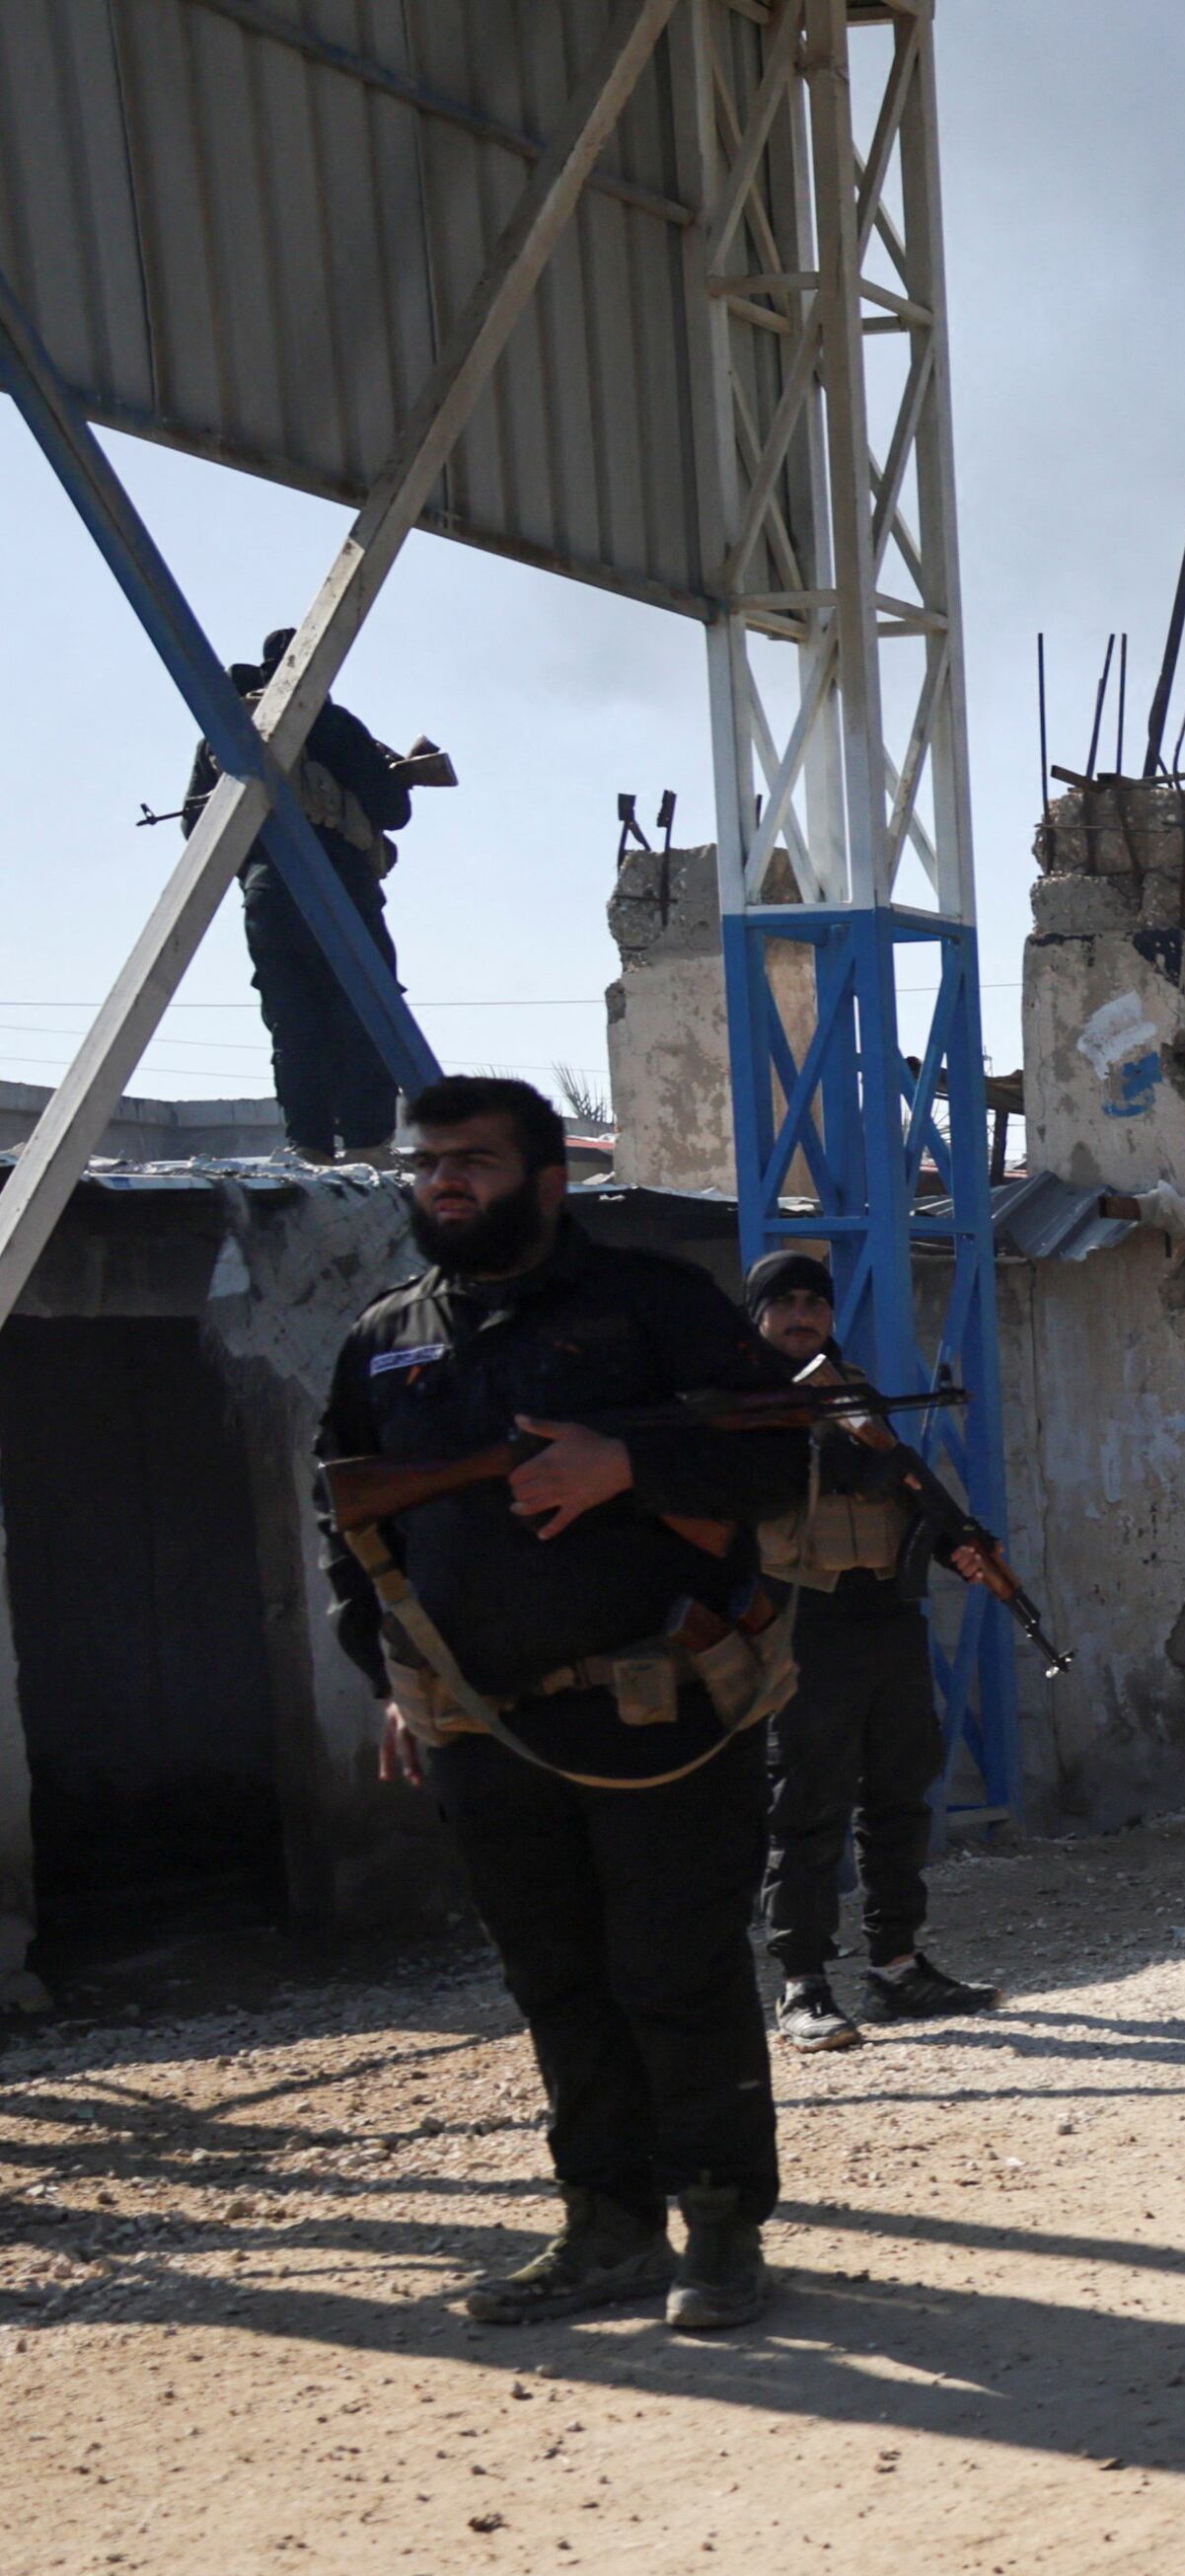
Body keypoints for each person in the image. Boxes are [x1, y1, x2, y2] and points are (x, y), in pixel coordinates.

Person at [315, 1076, 805, 2331]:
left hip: (660, 1711)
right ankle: (606, 2228)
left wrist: (627, 1463)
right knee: (557, 1979)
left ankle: (721, 2229)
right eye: (425, 1163)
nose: (443, 1182)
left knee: (674, 1970)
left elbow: (778, 1457)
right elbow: (349, 1524)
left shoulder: (653, 1307)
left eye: (471, 1160)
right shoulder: (385, 1339)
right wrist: (392, 1679)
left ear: (547, 1180)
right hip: (481, 1723)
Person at [737, 1250, 998, 2052]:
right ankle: (803, 1984)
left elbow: (908, 1487)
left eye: (814, 1301)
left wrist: (958, 1539)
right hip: (800, 1622)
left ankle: (896, 1963)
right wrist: (838, 1452)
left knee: (897, 1796)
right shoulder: (741, 1404)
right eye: (785, 1305)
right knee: (807, 1805)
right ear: (758, 1319)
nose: (802, 1315)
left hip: (884, 1613)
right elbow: (755, 1490)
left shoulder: (855, 1394)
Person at [187, 631, 434, 1162]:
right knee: (365, 1013)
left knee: (294, 1022)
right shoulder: (333, 723)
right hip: (342, 884)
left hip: (268, 895)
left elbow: (194, 828)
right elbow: (394, 813)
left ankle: (310, 1143)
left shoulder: (225, 732)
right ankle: (367, 1143)